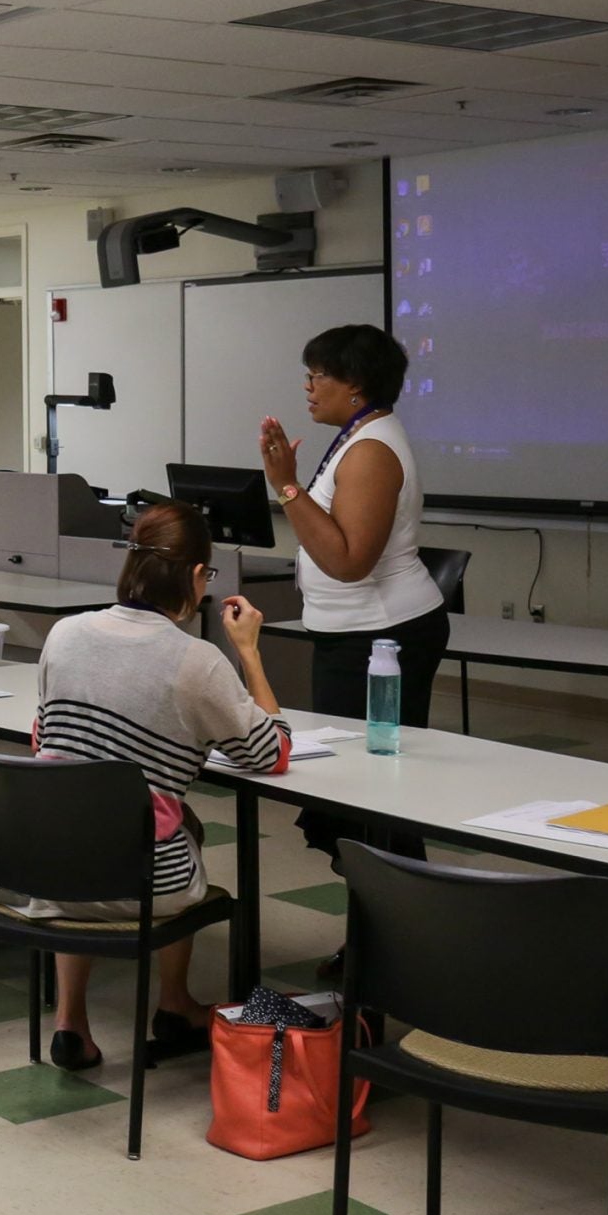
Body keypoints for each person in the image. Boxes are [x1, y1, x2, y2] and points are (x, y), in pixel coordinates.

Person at [14, 500, 290, 1071]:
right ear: (195, 576)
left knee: (85, 819)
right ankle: (174, 1003)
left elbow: (43, 736)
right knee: (171, 826)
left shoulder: (63, 635)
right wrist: (250, 653)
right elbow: (271, 751)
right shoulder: (197, 660)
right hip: (140, 880)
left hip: (46, 868)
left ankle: (70, 1022)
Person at [256, 323, 446, 864]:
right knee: (354, 794)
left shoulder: (370, 451)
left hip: (381, 638)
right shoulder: (359, 436)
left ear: (356, 384)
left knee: (372, 798)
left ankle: (396, 931)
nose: (308, 388)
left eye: (318, 376)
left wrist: (287, 486)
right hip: (355, 632)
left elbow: (347, 561)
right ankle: (383, 932)